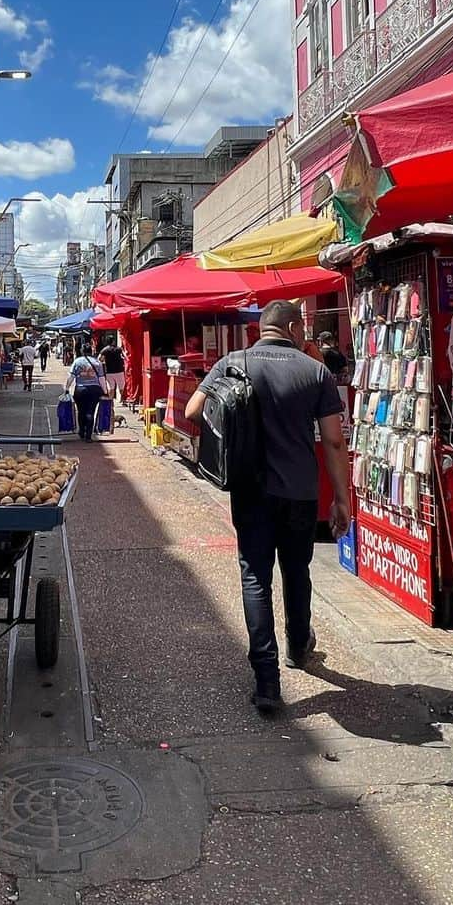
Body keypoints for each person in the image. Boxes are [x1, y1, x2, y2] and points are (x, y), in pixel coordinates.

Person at [184, 301, 351, 714]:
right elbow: (333, 440)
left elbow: (193, 411)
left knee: (256, 578)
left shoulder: (232, 361)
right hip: (300, 492)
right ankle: (298, 645)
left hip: (251, 491)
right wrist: (343, 499)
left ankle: (267, 682)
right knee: (297, 571)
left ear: (262, 329)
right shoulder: (316, 371)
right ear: (294, 327)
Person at [66, 349, 106, 441]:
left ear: (82, 351)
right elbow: (101, 378)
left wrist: (67, 389)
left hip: (80, 389)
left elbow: (71, 376)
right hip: (94, 390)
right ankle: (88, 435)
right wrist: (105, 391)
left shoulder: (77, 361)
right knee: (91, 411)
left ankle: (81, 431)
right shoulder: (97, 362)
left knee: (81, 411)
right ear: (91, 352)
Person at [100, 337, 126, 402]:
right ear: (113, 341)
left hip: (109, 372)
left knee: (111, 388)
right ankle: (123, 400)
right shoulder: (119, 349)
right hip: (119, 371)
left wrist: (104, 362)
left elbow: (100, 359)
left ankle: (110, 401)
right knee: (121, 387)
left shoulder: (104, 350)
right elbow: (125, 356)